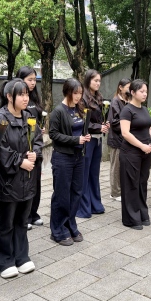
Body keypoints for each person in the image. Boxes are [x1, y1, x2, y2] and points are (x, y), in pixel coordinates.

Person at [0, 79, 43, 278]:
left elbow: (37, 140)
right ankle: (3, 261)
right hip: (8, 181)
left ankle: (21, 256)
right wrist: (20, 161)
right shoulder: (0, 119)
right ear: (9, 97)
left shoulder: (29, 117)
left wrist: (35, 153)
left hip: (27, 179)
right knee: (6, 221)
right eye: (20, 94)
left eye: (26, 94)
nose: (25, 98)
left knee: (22, 220)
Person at [48, 79, 91, 246]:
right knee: (61, 194)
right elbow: (53, 134)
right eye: (75, 93)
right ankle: (57, 230)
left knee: (76, 192)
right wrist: (76, 140)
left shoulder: (79, 109)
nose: (78, 96)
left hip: (79, 157)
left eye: (80, 93)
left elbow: (80, 129)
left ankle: (70, 225)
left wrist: (85, 136)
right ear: (67, 92)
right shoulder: (58, 111)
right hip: (63, 157)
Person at [119, 79, 151, 230]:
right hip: (131, 152)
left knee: (142, 183)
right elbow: (125, 133)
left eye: (146, 91)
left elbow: (149, 127)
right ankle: (131, 218)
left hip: (145, 152)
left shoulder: (144, 109)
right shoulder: (127, 110)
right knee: (131, 185)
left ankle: (142, 213)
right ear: (133, 92)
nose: (145, 94)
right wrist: (142, 146)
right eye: (141, 91)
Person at [76, 70, 108, 218]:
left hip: (98, 140)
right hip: (87, 139)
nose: (98, 83)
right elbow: (83, 121)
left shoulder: (99, 97)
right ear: (88, 80)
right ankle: (83, 207)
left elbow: (99, 119)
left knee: (94, 173)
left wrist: (105, 124)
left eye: (99, 81)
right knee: (84, 173)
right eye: (95, 80)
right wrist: (98, 127)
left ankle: (95, 204)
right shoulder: (82, 98)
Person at [16, 66, 44, 229]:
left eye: (34, 80)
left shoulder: (34, 99)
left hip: (35, 147)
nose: (33, 83)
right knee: (24, 183)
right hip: (23, 147)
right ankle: (24, 216)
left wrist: (40, 130)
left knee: (36, 182)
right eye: (30, 79)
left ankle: (34, 213)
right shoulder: (17, 101)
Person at [107, 78, 130, 202]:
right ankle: (115, 193)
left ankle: (121, 189)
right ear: (120, 87)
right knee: (116, 167)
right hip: (116, 140)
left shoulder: (128, 101)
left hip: (125, 140)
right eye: (128, 87)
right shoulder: (115, 101)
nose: (130, 89)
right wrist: (128, 126)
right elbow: (114, 122)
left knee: (123, 167)